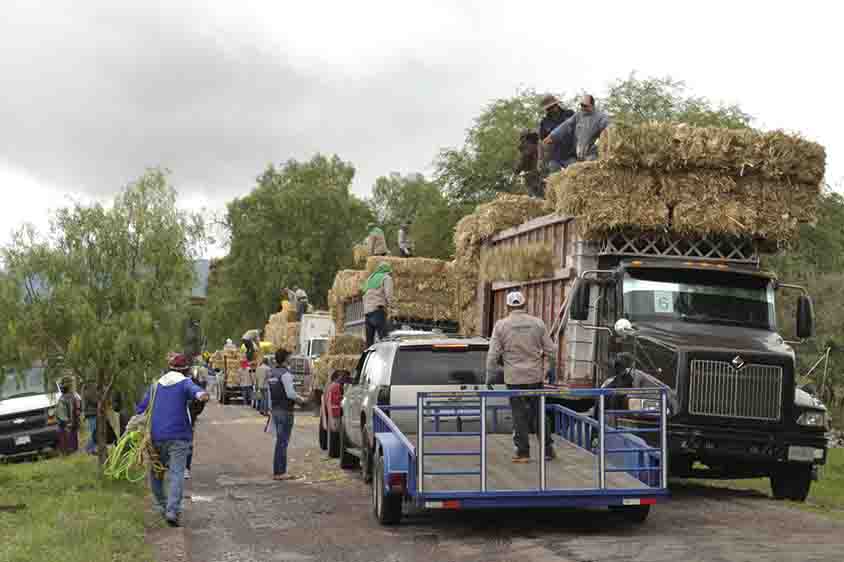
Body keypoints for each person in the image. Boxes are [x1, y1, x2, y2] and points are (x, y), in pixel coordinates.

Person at [136, 354, 209, 527]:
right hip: (178, 435)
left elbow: (141, 409)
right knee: (176, 473)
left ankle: (162, 506)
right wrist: (202, 395)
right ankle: (172, 511)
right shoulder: (185, 382)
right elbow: (197, 392)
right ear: (186, 370)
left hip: (156, 436)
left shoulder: (155, 385)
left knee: (156, 473)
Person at [485, 290, 556, 463]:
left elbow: (493, 354)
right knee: (539, 413)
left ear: (508, 306)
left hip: (514, 379)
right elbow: (551, 350)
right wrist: (547, 369)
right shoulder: (537, 323)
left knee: (519, 416)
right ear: (524, 305)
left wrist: (490, 375)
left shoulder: (501, 325)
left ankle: (523, 453)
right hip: (535, 378)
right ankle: (547, 450)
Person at [266, 349, 306, 480]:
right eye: (289, 357)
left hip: (276, 409)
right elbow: (290, 393)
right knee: (283, 442)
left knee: (279, 441)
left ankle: (278, 471)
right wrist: (302, 400)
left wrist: (270, 409)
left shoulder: (272, 373)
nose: (291, 359)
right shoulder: (286, 374)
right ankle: (280, 472)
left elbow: (269, 394)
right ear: (284, 359)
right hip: (285, 410)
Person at [543, 94, 610, 163]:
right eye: (581, 105)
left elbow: (608, 132)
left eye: (585, 106)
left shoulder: (601, 118)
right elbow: (565, 125)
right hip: (577, 155)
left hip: (592, 155)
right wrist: (552, 136)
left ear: (592, 105)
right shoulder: (578, 115)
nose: (582, 108)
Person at [538, 94, 576, 173]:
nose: (551, 109)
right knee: (553, 177)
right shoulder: (544, 122)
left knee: (574, 174)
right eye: (548, 108)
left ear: (556, 105)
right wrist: (540, 159)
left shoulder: (569, 114)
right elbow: (542, 142)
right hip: (554, 157)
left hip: (571, 155)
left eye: (552, 107)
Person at [362, 261, 393, 346]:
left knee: (369, 344)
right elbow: (388, 295)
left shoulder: (369, 279)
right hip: (378, 312)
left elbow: (363, 294)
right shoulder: (386, 278)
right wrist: (392, 308)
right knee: (385, 341)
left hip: (367, 314)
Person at [56, 378, 81, 455]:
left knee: (69, 436)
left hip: (68, 422)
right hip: (71, 421)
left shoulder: (64, 398)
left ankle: (69, 451)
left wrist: (66, 421)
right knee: (72, 436)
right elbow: (78, 407)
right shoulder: (73, 396)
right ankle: (71, 450)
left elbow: (62, 412)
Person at [82, 382, 98, 455]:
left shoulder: (88, 389)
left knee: (94, 432)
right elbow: (94, 401)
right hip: (92, 413)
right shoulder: (88, 390)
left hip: (92, 413)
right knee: (94, 432)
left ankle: (92, 448)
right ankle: (88, 448)